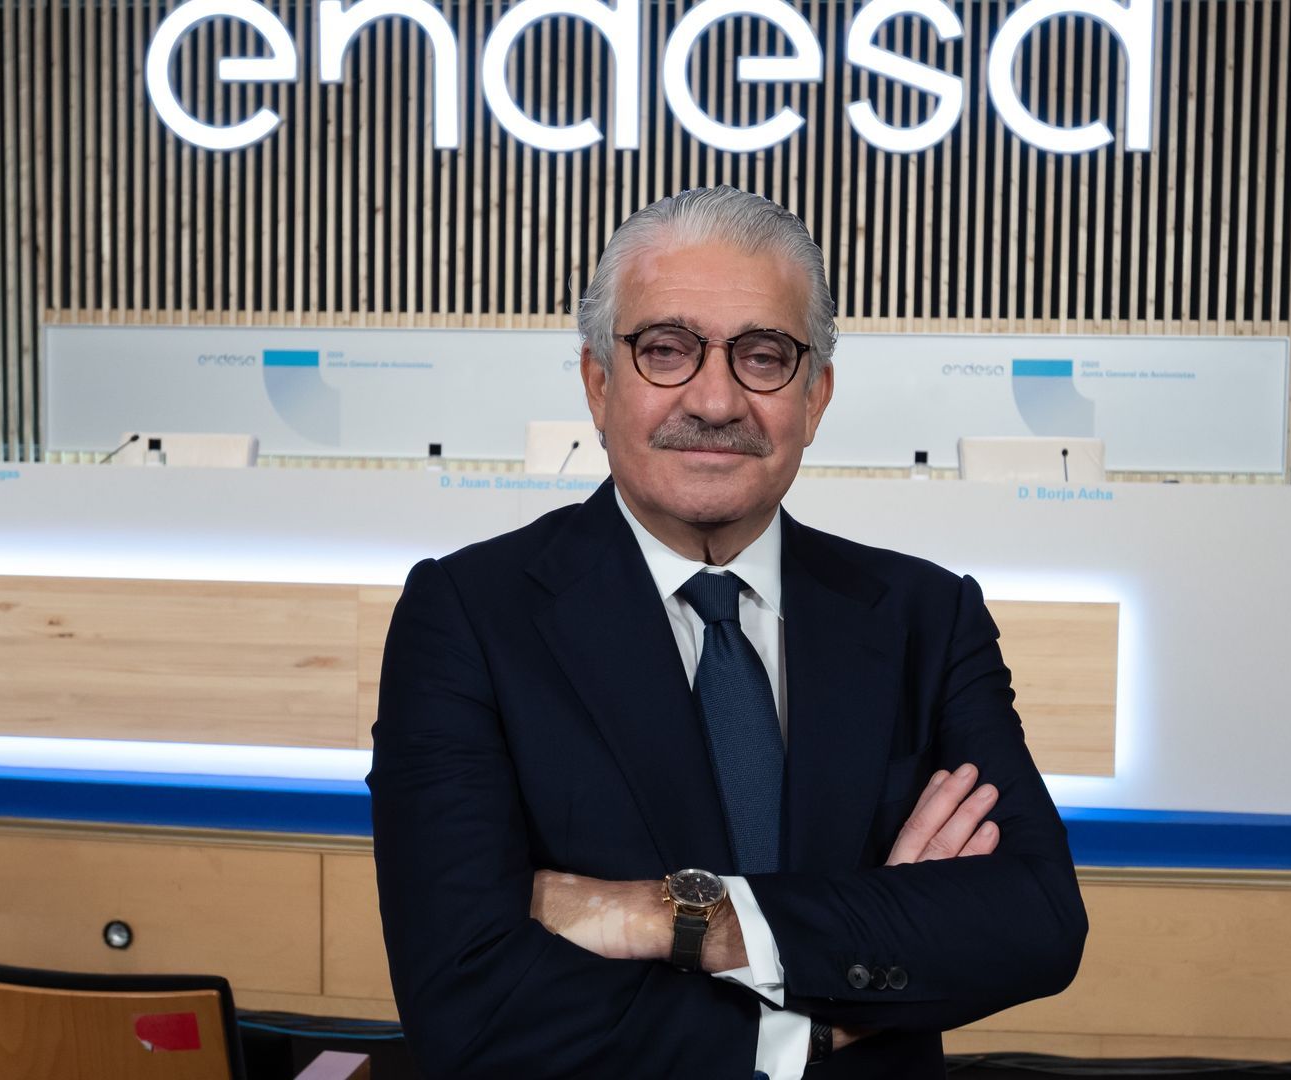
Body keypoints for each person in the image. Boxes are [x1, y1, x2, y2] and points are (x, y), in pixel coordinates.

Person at [369, 186, 1087, 1079]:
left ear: (816, 397)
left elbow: (1034, 921)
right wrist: (825, 1011)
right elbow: (468, 1007)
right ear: (599, 383)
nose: (715, 400)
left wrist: (682, 918)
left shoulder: (927, 617)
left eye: (763, 356)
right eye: (666, 350)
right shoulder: (467, 617)